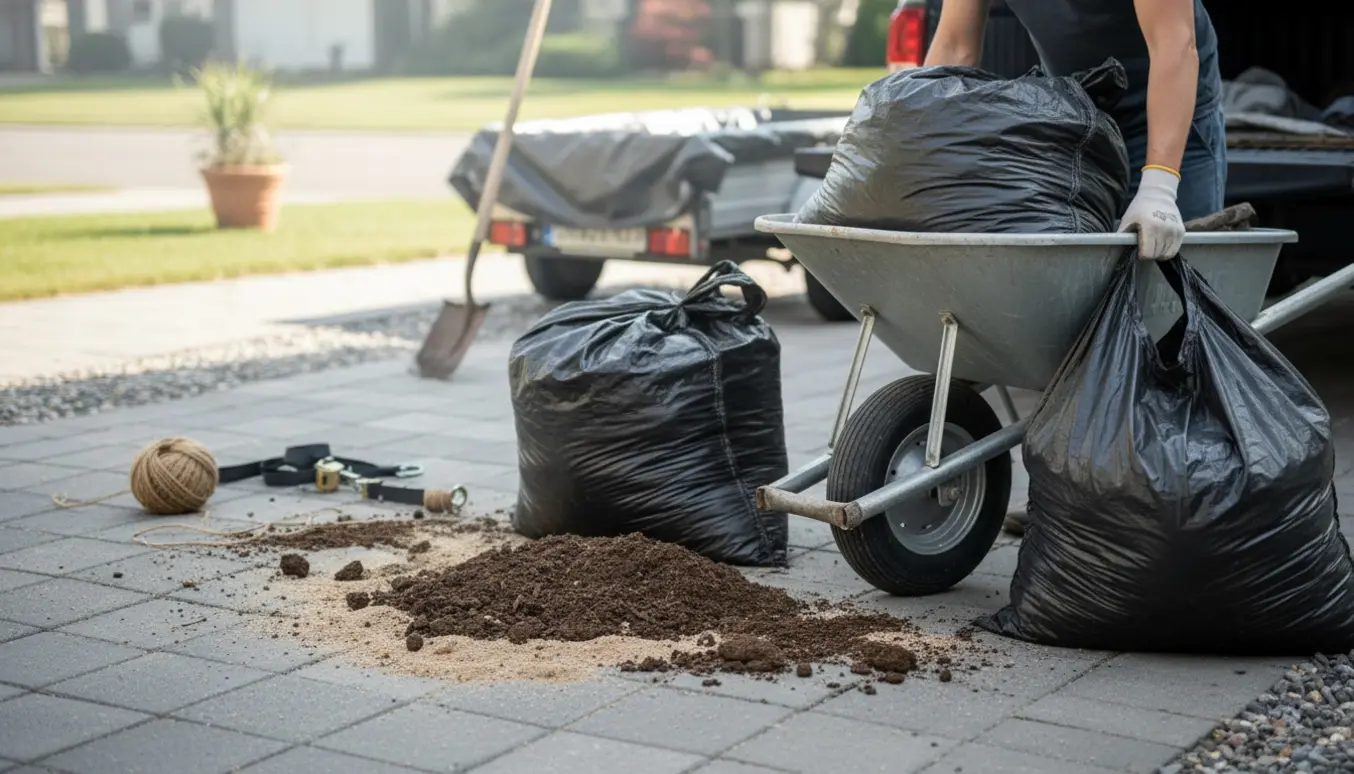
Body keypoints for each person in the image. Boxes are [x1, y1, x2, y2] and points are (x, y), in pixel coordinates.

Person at [922, 0, 1227, 536]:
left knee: (1170, 324)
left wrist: (1159, 185)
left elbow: (1175, 45)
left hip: (1174, 107)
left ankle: (1175, 515)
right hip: (1082, 109)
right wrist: (919, 161)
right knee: (1068, 316)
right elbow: (953, 49)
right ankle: (1077, 505)